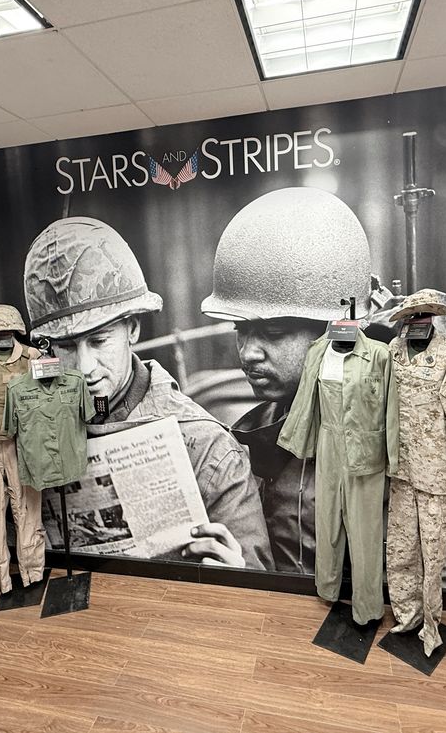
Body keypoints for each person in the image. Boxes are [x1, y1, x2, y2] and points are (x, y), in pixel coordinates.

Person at [202, 186, 446, 590]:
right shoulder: (276, 414)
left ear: (338, 328)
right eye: (240, 330)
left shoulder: (409, 432)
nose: (249, 353)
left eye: (274, 331)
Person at [23, 217, 272, 570]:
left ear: (133, 329)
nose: (85, 367)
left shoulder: (207, 449)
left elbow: (260, 590)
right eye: (65, 346)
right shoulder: (34, 429)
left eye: (98, 341)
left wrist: (238, 572)